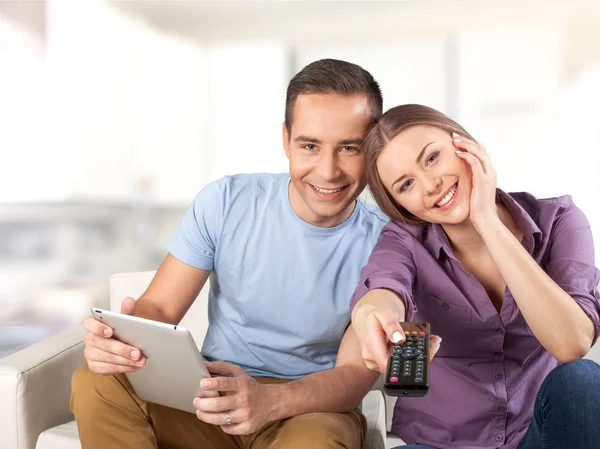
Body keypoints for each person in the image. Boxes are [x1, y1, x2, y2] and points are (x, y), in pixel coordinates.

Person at [70, 59, 402, 449]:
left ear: (375, 149)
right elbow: (158, 309)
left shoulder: (389, 243)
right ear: (286, 140)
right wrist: (121, 340)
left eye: (349, 148)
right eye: (310, 146)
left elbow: (351, 377)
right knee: (94, 381)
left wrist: (269, 401)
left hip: (311, 409)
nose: (328, 171)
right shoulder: (226, 201)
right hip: (211, 393)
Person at [350, 104, 600, 449]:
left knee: (582, 381)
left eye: (432, 158)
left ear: (464, 145)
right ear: (400, 204)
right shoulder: (404, 241)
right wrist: (373, 318)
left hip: (537, 436)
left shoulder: (559, 220)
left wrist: (486, 220)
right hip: (440, 443)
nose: (430, 184)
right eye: (406, 184)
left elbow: (573, 343)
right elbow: (382, 288)